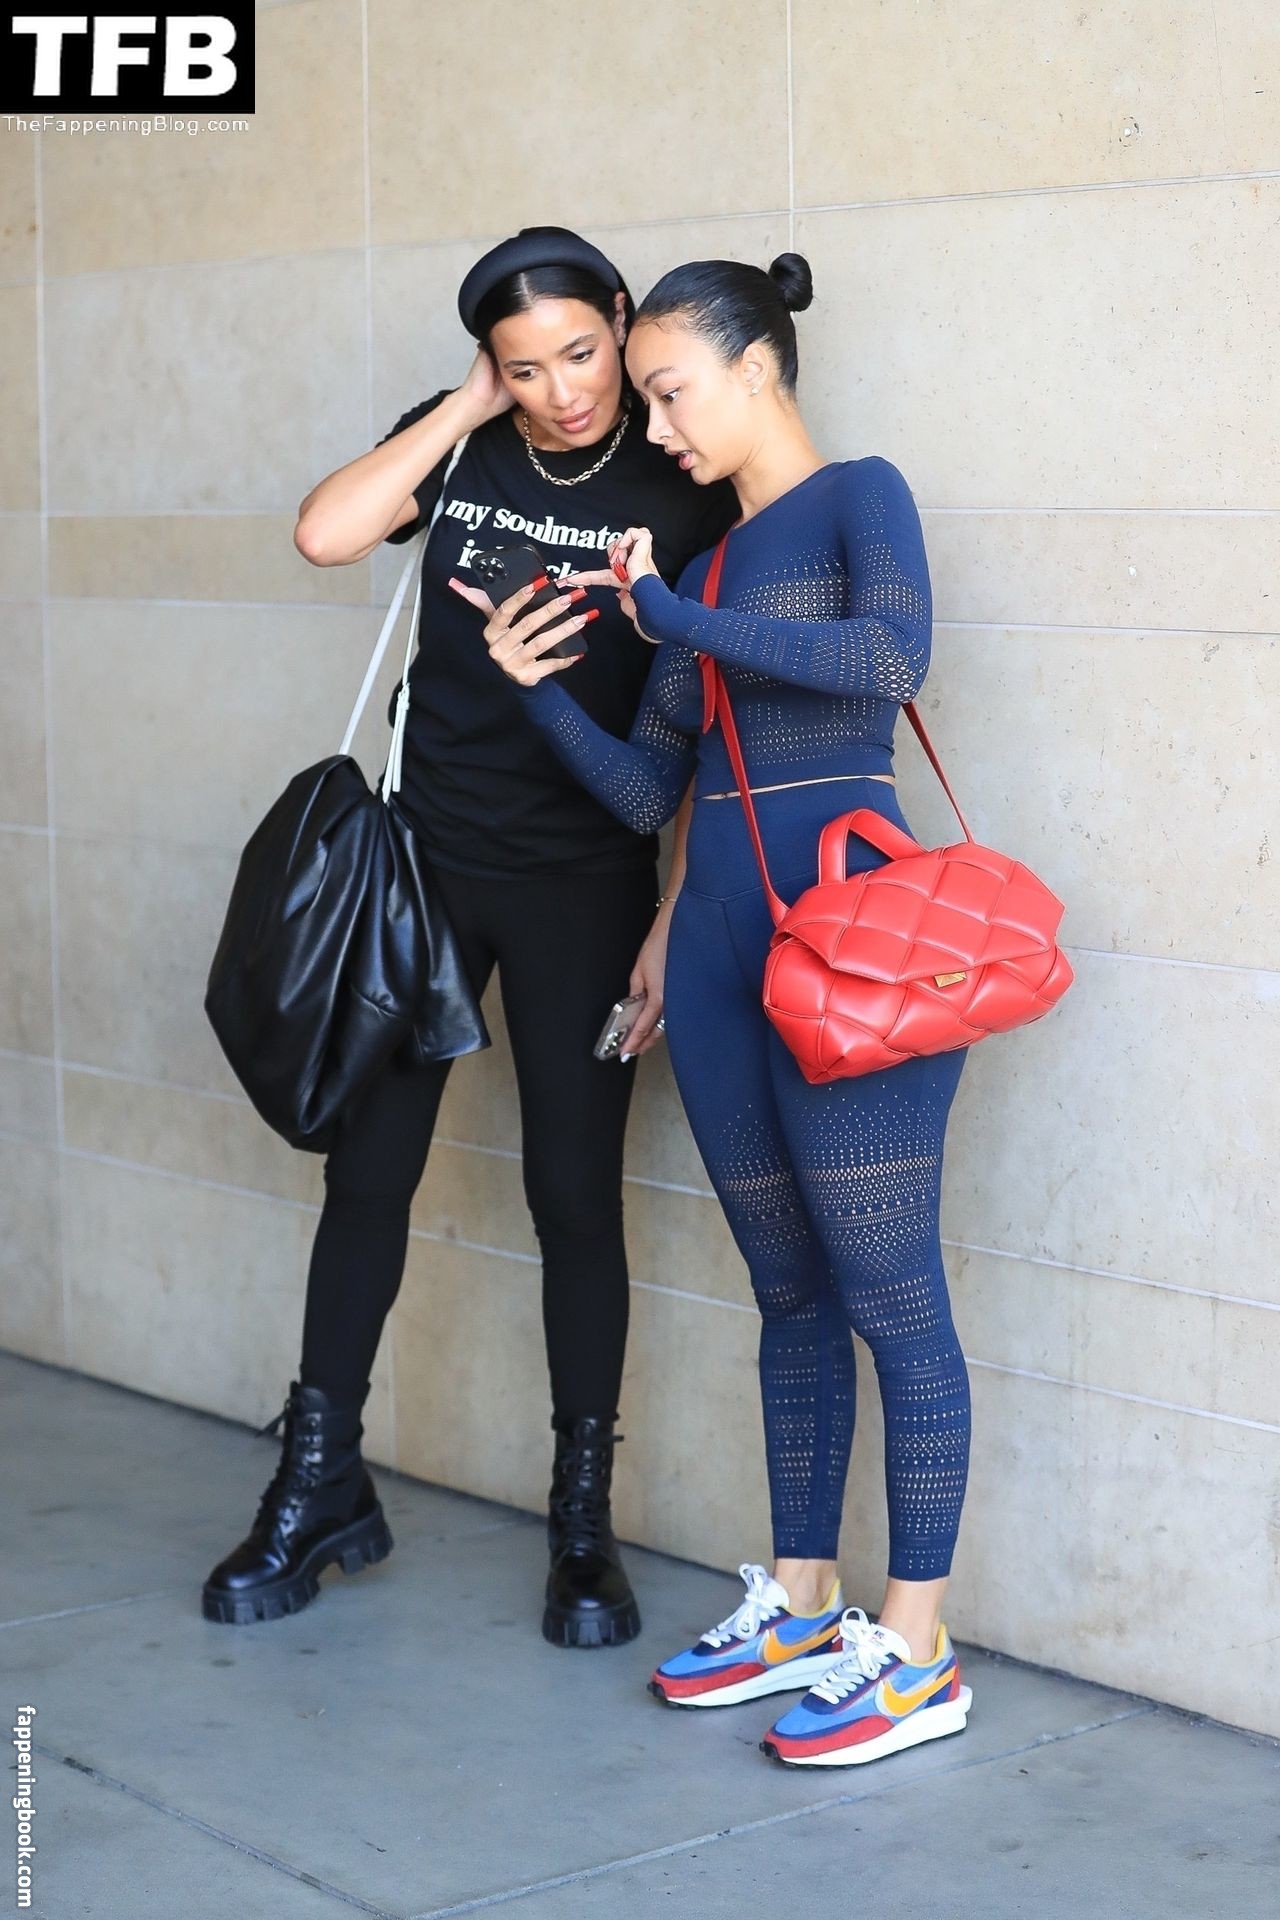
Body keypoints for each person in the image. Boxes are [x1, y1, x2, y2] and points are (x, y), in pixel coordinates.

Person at [201, 227, 737, 1647]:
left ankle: (582, 1527)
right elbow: (325, 534)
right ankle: (319, 1484)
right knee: (369, 1176)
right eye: (526, 368)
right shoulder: (468, 442)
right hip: (427, 869)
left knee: (572, 1195)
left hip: (588, 883)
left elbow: (709, 726)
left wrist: (672, 916)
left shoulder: (680, 475)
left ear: (620, 320)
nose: (566, 390)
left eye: (581, 352)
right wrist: (462, 410)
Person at [483, 251, 975, 1765]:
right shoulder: (693, 578)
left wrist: (668, 620)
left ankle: (919, 1644)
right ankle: (806, 1602)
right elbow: (654, 789)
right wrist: (536, 687)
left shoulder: (860, 498)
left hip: (854, 940)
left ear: (757, 367)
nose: (659, 427)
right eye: (647, 401)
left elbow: (885, 657)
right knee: (789, 1293)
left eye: (670, 392)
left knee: (893, 1294)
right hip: (712, 959)